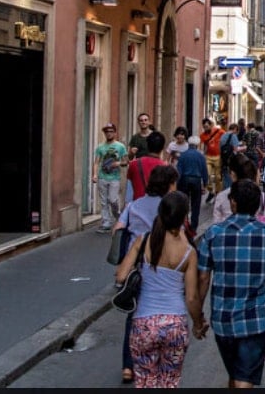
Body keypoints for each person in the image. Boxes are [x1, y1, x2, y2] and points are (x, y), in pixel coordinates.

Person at [197, 179, 265, 387]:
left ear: (233, 203)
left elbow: (203, 278)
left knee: (235, 374)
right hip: (256, 321)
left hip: (223, 321)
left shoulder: (212, 234)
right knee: (243, 379)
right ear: (258, 205)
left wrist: (197, 317)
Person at [116, 191, 207, 388]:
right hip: (175, 324)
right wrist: (198, 323)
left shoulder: (143, 240)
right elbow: (191, 298)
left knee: (145, 382)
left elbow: (121, 275)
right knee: (169, 382)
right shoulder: (189, 252)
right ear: (184, 217)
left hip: (144, 323)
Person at [113, 164, 179, 385]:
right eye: (174, 184)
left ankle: (128, 366)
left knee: (134, 315)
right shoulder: (169, 207)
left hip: (136, 267)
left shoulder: (133, 205)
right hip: (163, 266)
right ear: (169, 185)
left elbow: (118, 228)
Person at [213, 154, 265, 225]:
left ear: (232, 174)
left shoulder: (221, 197)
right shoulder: (262, 197)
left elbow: (217, 223)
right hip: (257, 230)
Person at [92, 123, 128, 233]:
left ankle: (118, 217)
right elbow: (96, 162)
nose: (109, 133)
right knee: (104, 201)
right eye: (107, 131)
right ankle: (106, 223)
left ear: (115, 133)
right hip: (102, 176)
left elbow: (126, 161)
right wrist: (95, 175)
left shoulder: (120, 146)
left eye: (111, 131)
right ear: (104, 133)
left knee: (113, 200)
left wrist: (118, 163)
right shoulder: (100, 147)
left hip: (115, 178)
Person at [176, 135, 208, 233]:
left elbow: (179, 171)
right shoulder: (201, 156)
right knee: (196, 204)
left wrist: (177, 183)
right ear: (197, 145)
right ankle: (193, 226)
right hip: (196, 180)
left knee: (183, 203)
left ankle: (183, 223)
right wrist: (205, 184)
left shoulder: (183, 155)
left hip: (184, 180)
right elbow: (204, 171)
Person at [126, 131, 167, 201]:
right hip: (158, 206)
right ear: (162, 148)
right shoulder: (166, 168)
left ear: (147, 145)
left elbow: (129, 193)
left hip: (137, 205)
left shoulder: (134, 164)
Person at [200, 118, 225, 203]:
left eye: (207, 126)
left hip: (218, 156)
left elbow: (226, 137)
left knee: (218, 177)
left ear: (211, 125)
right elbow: (203, 146)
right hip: (208, 157)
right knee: (207, 175)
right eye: (204, 127)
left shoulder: (219, 132)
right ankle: (210, 191)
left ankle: (218, 193)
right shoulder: (202, 135)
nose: (205, 128)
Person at [219, 123, 243, 192]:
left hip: (224, 159)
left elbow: (220, 147)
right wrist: (244, 148)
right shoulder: (233, 136)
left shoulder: (223, 135)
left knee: (225, 175)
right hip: (232, 159)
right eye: (237, 131)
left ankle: (225, 191)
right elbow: (236, 149)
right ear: (235, 129)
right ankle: (230, 191)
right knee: (232, 176)